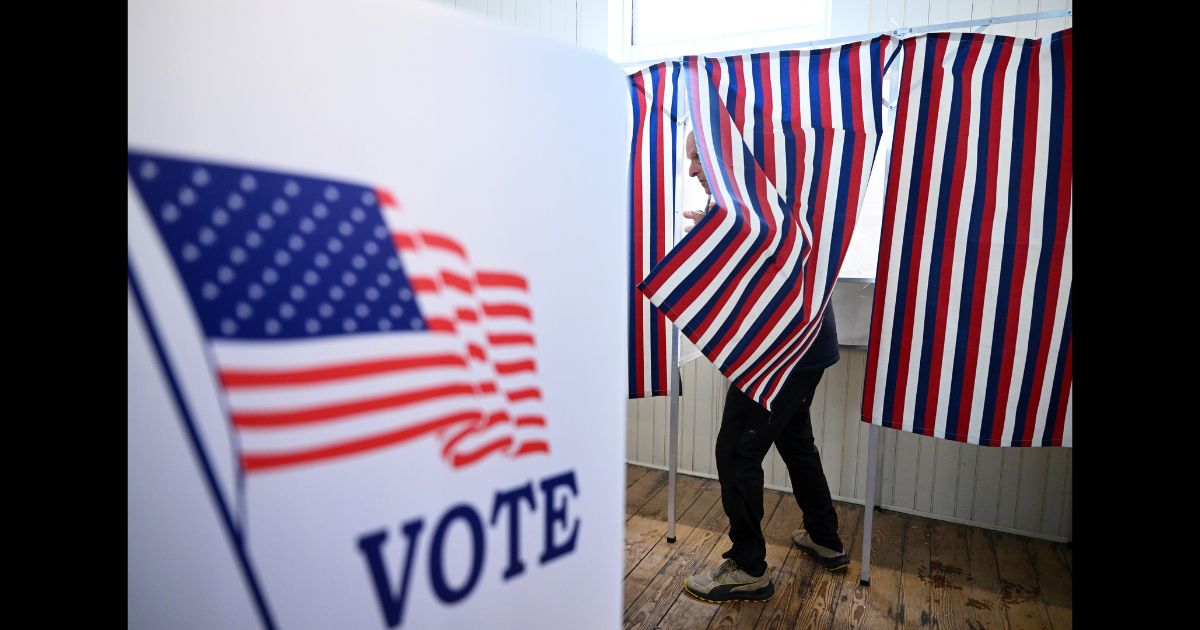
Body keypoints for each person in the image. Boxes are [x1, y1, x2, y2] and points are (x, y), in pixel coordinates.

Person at [680, 131, 847, 603]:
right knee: (795, 439)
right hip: (806, 344)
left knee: (736, 451)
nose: (692, 170)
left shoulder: (753, 205)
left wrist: (716, 241)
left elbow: (762, 277)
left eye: (697, 158)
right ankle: (825, 538)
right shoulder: (760, 197)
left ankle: (749, 567)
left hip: (782, 349)